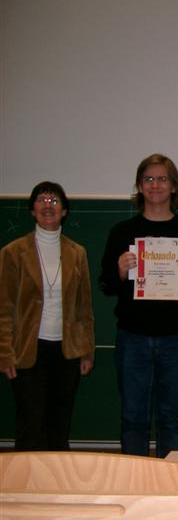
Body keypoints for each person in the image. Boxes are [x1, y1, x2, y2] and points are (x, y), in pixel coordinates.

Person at [100, 154, 178, 457]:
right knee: (132, 418)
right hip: (132, 337)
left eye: (162, 179)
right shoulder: (122, 232)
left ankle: (170, 481)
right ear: (139, 186)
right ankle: (136, 480)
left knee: (171, 419)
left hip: (175, 338)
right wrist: (119, 271)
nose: (155, 185)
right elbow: (106, 286)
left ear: (174, 186)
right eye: (148, 179)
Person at [0, 181, 94, 450]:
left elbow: (84, 308)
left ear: (64, 210)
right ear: (32, 210)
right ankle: (26, 477)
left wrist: (87, 351)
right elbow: (3, 307)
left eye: (54, 201)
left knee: (59, 423)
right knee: (30, 422)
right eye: (42, 200)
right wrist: (4, 353)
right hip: (28, 350)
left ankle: (57, 476)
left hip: (67, 351)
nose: (48, 206)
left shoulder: (77, 253)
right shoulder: (12, 252)